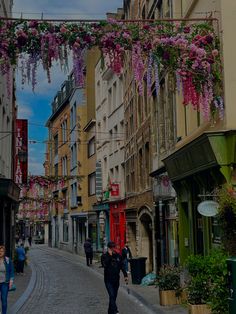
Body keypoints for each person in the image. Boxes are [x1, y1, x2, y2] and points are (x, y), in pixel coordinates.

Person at [102, 241, 128, 314]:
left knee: (114, 297)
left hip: (116, 280)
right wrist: (109, 256)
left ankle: (110, 312)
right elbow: (105, 265)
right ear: (109, 248)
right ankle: (115, 311)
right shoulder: (104, 256)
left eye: (114, 247)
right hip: (108, 280)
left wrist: (125, 276)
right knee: (112, 295)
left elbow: (122, 266)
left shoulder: (118, 256)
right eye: (112, 248)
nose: (113, 249)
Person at [0, 244, 14, 314]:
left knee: (4, 300)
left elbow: (11, 270)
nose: (0, 252)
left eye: (2, 251)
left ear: (4, 252)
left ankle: (4, 313)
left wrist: (11, 280)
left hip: (5, 283)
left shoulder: (8, 260)